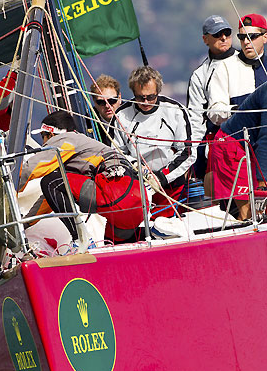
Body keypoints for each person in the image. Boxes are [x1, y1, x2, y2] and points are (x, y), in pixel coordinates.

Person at [20, 110, 148, 246]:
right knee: (112, 250)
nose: (43, 142)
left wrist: (8, 189)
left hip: (115, 194)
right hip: (137, 202)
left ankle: (80, 239)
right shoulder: (83, 146)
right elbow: (49, 198)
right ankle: (152, 233)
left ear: (51, 134)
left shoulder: (65, 140)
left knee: (50, 181)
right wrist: (25, 223)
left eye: (43, 137)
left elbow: (32, 169)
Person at [112, 66, 195, 218]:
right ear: (133, 93)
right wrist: (137, 168)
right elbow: (116, 153)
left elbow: (188, 151)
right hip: (138, 187)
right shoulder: (121, 116)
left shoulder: (174, 110)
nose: (145, 102)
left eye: (151, 97)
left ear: (158, 92)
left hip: (170, 185)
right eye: (140, 97)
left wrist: (161, 177)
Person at [206, 82, 267, 220]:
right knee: (251, 213)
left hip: (249, 147)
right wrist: (263, 187)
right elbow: (265, 141)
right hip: (231, 146)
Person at [186, 15, 237, 179]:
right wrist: (193, 156)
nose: (223, 38)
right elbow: (195, 119)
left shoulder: (245, 61)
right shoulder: (199, 75)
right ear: (205, 39)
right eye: (217, 34)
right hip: (217, 143)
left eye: (227, 33)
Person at [207, 13, 267, 127]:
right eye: (242, 37)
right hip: (239, 139)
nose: (246, 42)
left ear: (265, 37)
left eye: (252, 36)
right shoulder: (225, 67)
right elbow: (214, 111)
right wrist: (238, 111)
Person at [89, 74, 121, 145]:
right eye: (101, 102)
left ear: (119, 98)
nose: (107, 105)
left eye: (112, 101)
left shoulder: (132, 115)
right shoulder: (87, 122)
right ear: (94, 102)